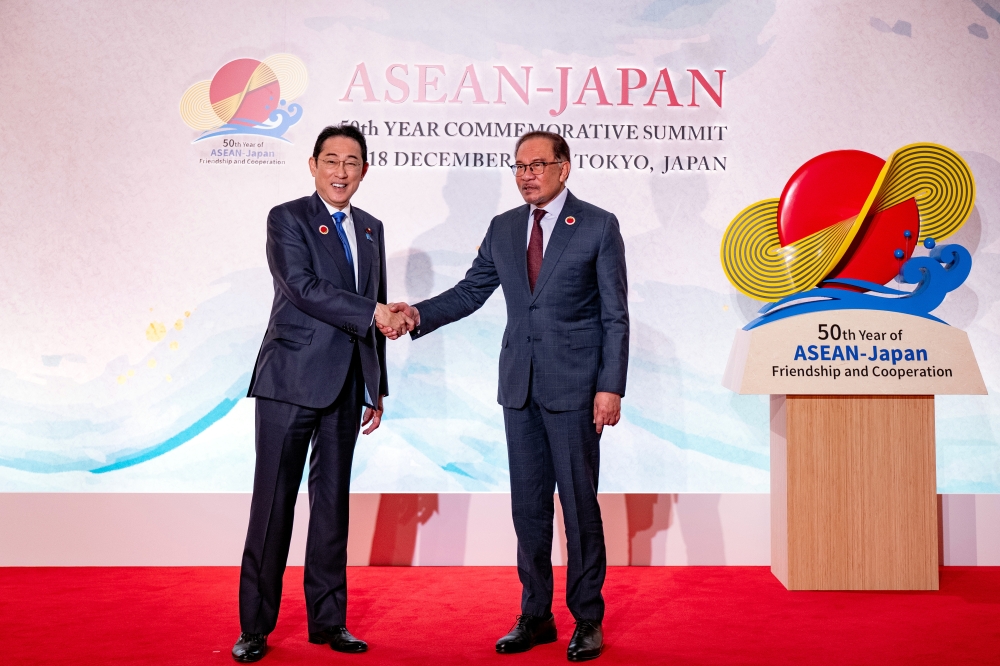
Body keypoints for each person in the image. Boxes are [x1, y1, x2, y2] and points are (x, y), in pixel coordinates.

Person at [391, 131, 629, 662]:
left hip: (576, 389)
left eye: (537, 165)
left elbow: (615, 314)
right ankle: (536, 614)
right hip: (518, 387)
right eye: (519, 166)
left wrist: (610, 386)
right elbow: (472, 291)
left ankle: (587, 617)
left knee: (578, 506)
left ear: (564, 169)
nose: (526, 175)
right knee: (528, 509)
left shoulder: (597, 225)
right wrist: (417, 315)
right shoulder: (503, 228)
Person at [232, 124, 412, 662]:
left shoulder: (373, 229)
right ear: (312, 166)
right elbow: (301, 287)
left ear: (364, 170)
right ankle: (255, 626)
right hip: (290, 380)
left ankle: (329, 622)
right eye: (330, 160)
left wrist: (374, 385)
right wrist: (371, 312)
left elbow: (374, 305)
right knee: (273, 505)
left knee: (332, 507)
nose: (340, 171)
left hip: (346, 384)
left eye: (351, 161)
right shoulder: (287, 218)